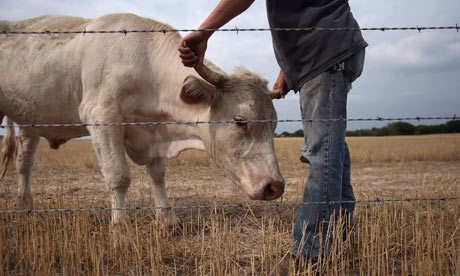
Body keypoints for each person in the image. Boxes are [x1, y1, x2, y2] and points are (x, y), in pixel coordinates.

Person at [178, 0, 367, 271]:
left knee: (322, 153)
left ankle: (309, 255)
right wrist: (288, 68)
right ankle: (338, 237)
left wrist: (204, 32)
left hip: (325, 52)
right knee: (332, 151)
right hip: (326, 52)